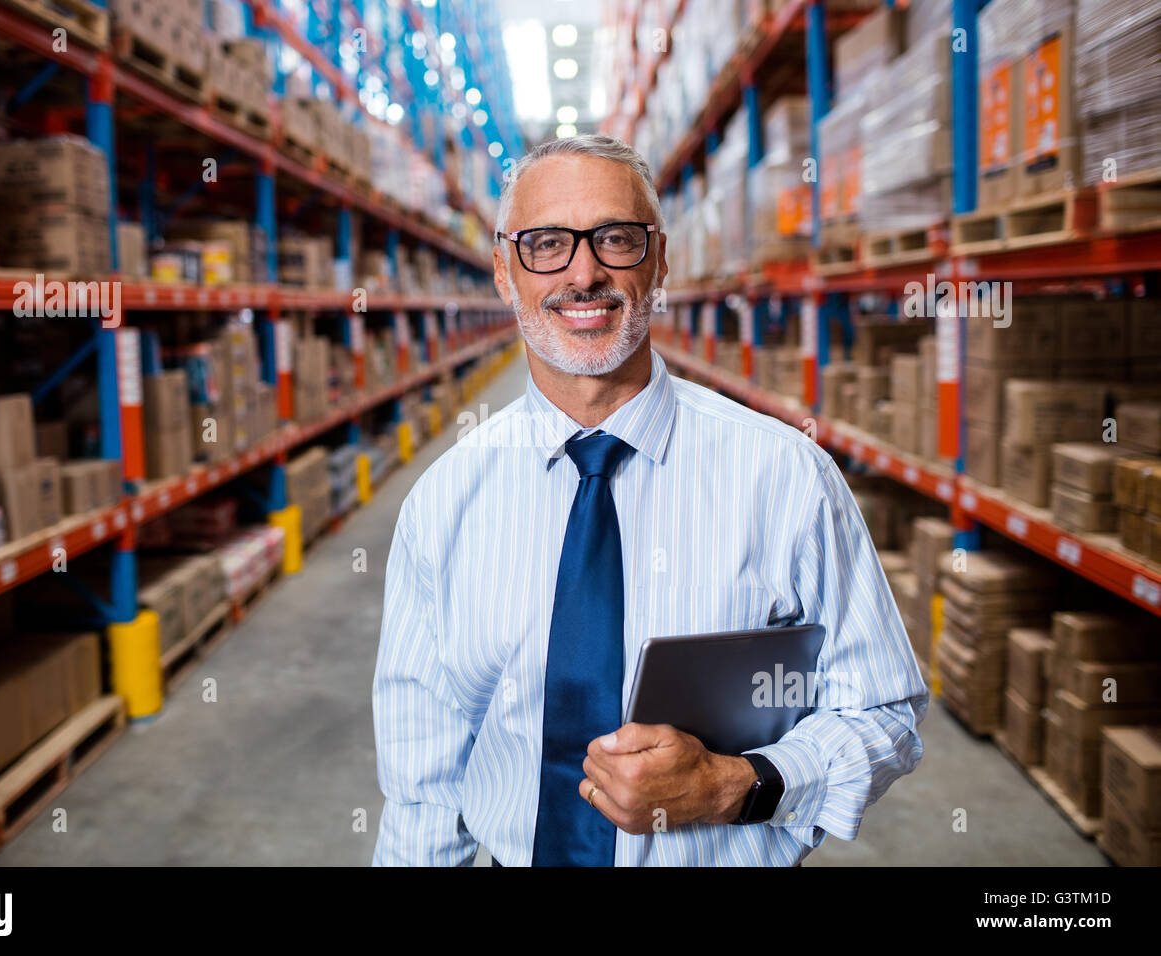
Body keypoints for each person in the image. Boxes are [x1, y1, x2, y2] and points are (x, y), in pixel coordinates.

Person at [371, 134, 927, 866]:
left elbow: (883, 708)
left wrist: (734, 784)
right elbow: (423, 789)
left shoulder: (785, 477)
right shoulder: (443, 505)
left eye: (615, 239)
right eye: (546, 244)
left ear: (659, 260)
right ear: (505, 271)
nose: (584, 273)